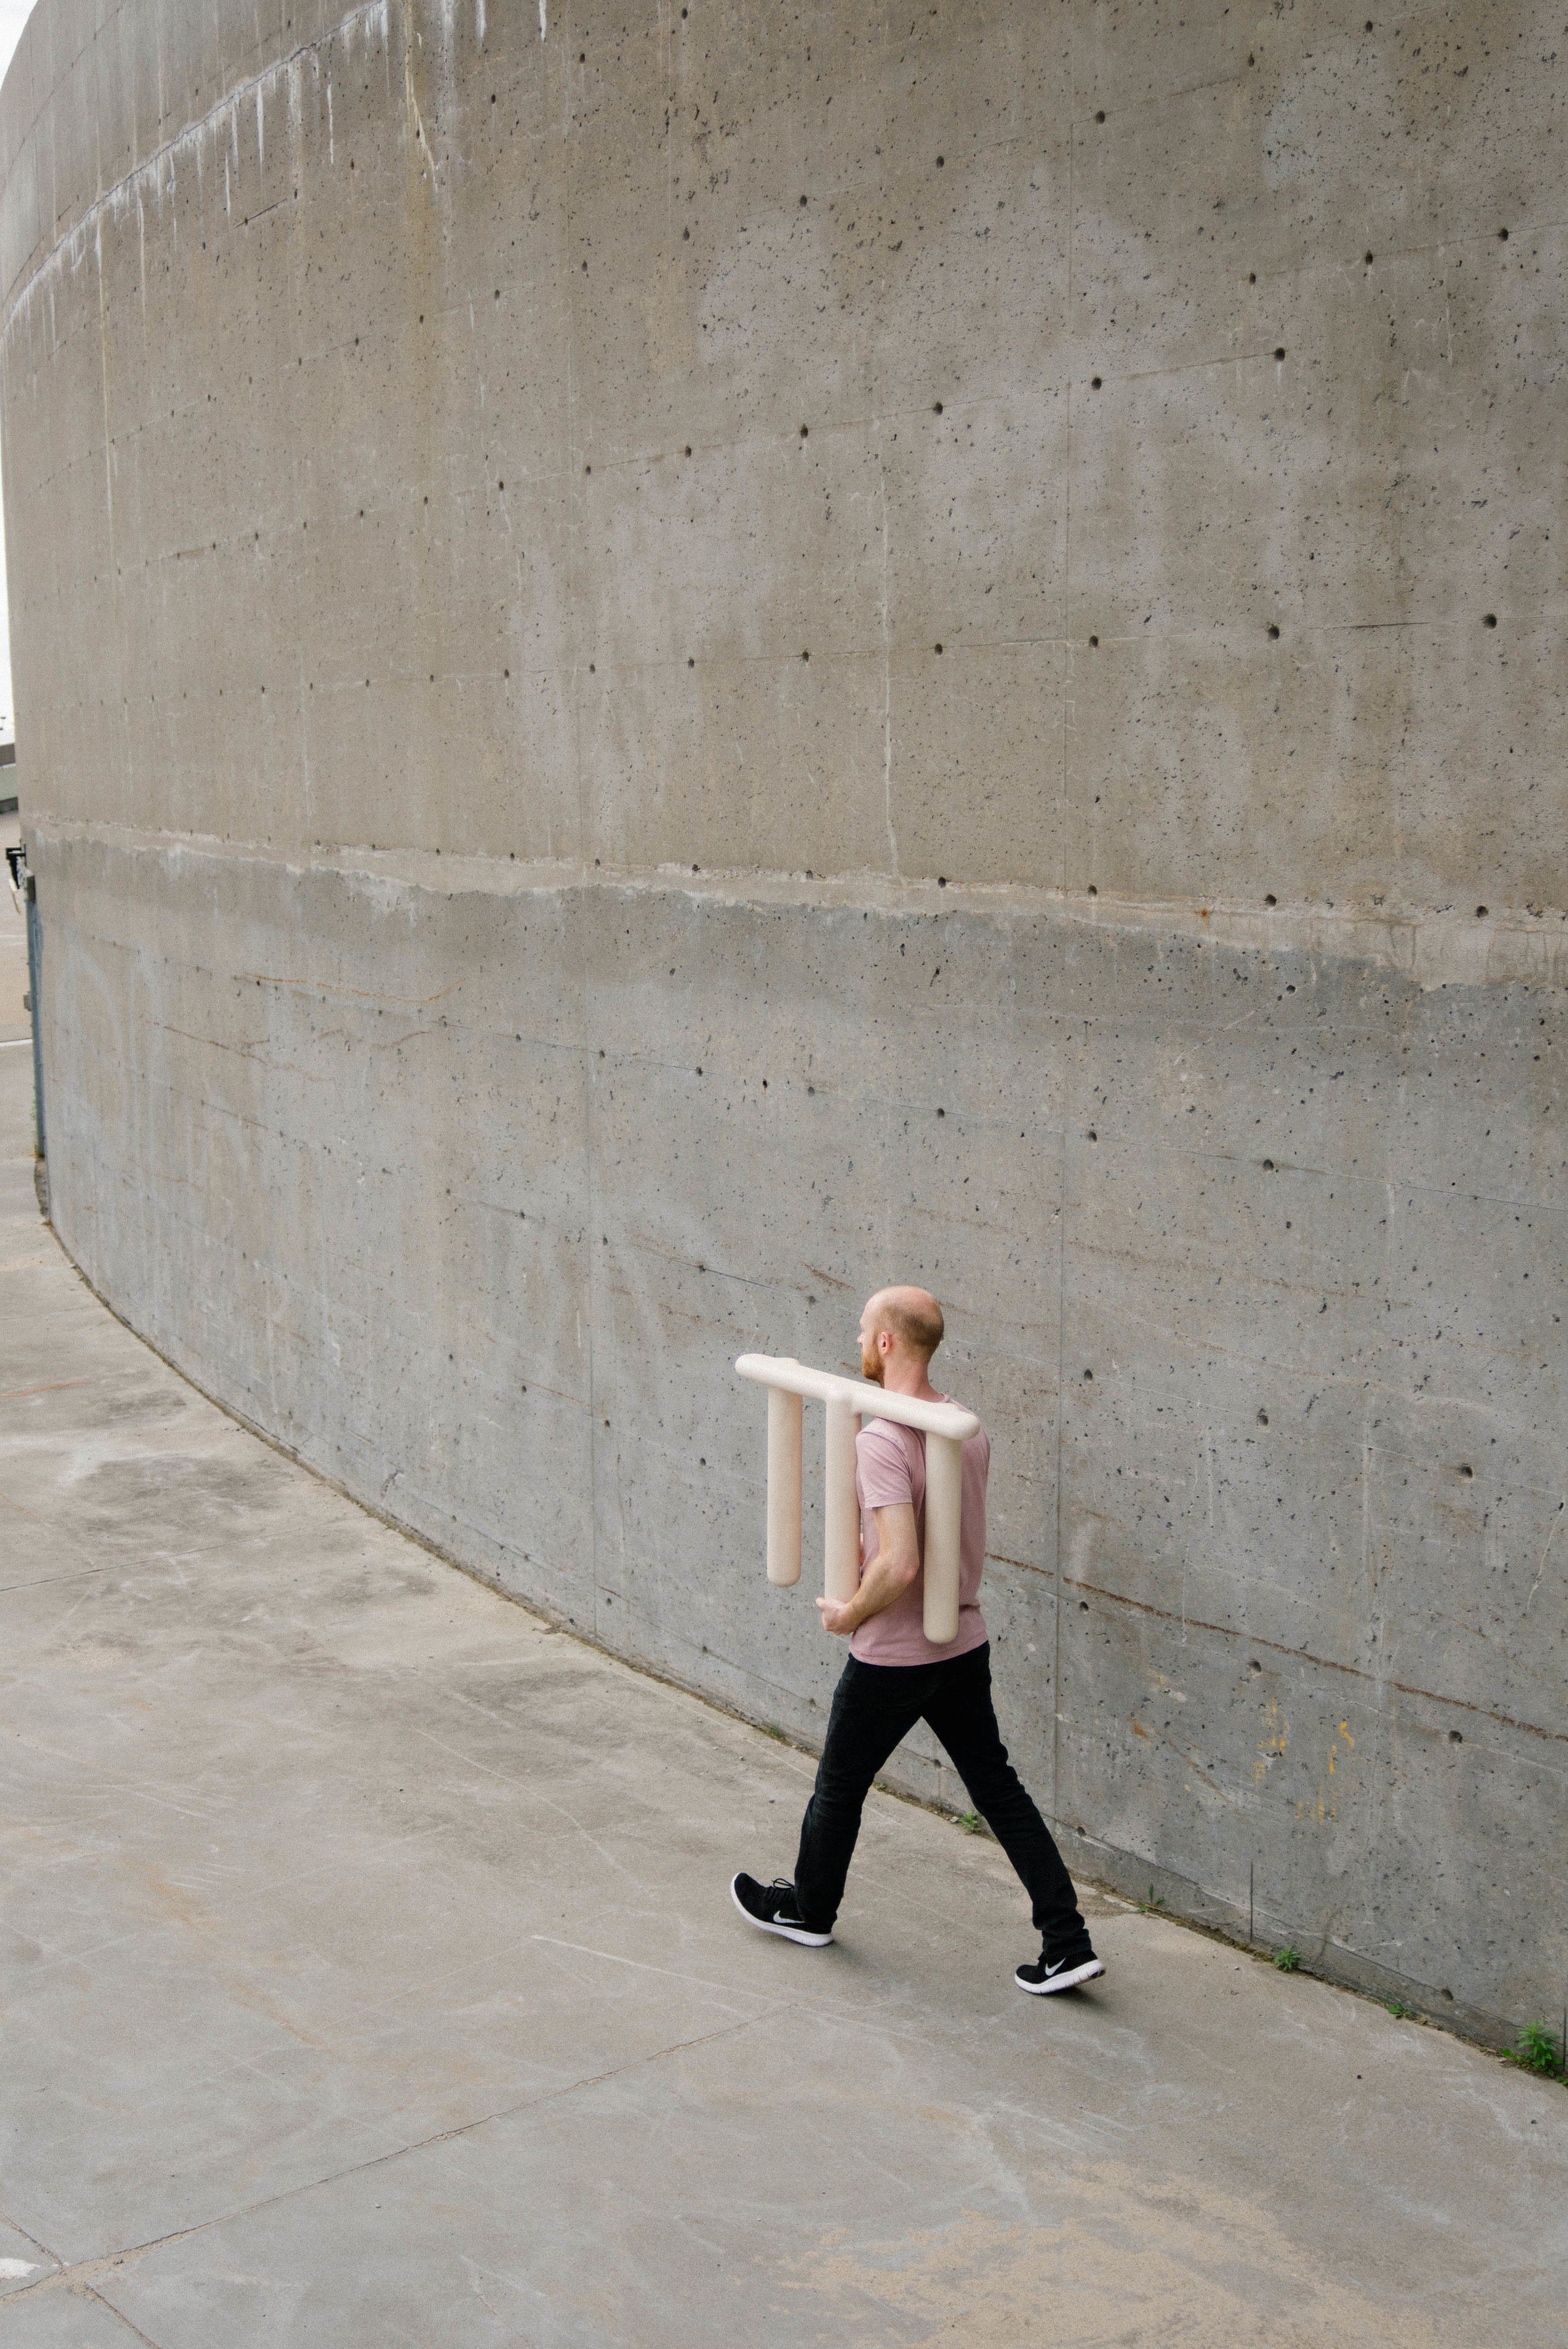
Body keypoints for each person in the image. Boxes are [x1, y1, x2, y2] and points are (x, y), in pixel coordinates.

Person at [730, 1285, 1104, 1995]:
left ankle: (810, 1911)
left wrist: (848, 1614)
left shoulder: (878, 1440)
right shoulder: (962, 1424)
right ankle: (1068, 1939)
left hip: (894, 1655)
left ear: (886, 1343)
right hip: (961, 1641)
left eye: (862, 1329)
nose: (857, 1339)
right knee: (998, 1788)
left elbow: (899, 1561)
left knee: (838, 1786)